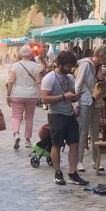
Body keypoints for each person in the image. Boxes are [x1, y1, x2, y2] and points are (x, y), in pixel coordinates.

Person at [40, 51, 88, 186]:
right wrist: (63, 97)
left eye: (71, 66)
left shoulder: (70, 78)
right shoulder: (50, 78)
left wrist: (75, 99)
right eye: (68, 66)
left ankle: (73, 173)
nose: (70, 69)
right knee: (57, 144)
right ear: (59, 64)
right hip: (56, 115)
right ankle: (58, 172)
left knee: (74, 144)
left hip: (70, 114)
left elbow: (71, 95)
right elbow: (44, 98)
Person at [74, 45, 106, 171]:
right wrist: (77, 102)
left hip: (96, 101)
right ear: (101, 55)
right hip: (85, 101)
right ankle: (79, 161)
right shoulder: (86, 64)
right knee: (82, 131)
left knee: (95, 132)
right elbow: (78, 84)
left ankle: (96, 160)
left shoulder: (98, 67)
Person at [6, 46, 41, 150]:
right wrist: (41, 94)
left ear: (21, 54)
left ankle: (16, 134)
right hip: (32, 95)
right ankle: (27, 140)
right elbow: (38, 82)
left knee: (16, 116)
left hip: (17, 94)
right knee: (29, 117)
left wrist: (8, 95)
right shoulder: (36, 66)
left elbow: (11, 81)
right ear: (30, 54)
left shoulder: (16, 66)